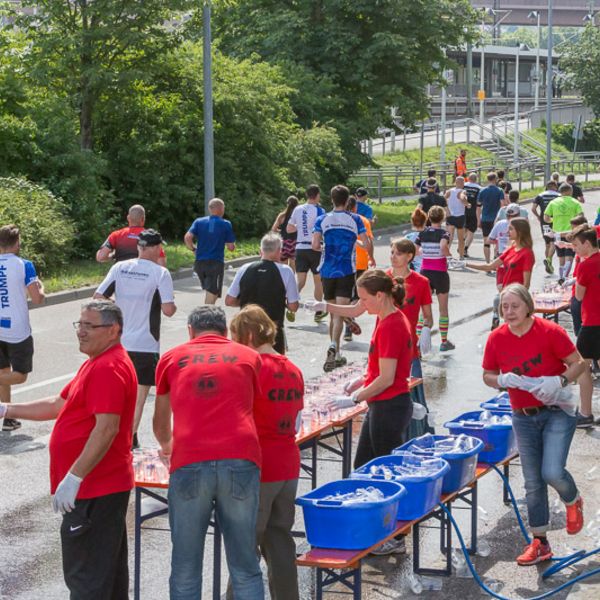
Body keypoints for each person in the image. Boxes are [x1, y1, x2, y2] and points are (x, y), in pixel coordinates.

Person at [0, 300, 137, 596]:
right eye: (80, 324)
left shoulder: (108, 367)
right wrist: (6, 409)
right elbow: (58, 405)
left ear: (113, 330)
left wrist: (74, 477)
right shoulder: (97, 363)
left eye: (90, 326)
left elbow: (106, 428)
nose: (81, 332)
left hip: (95, 488)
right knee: (103, 576)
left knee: (87, 579)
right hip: (96, 488)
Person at [153, 305, 264, 600]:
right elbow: (258, 411)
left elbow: (160, 420)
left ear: (191, 331)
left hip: (189, 460)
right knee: (245, 564)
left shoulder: (170, 358)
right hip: (240, 457)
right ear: (225, 331)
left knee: (186, 565)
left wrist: (167, 447)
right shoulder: (250, 357)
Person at [482, 284, 585, 565]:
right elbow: (488, 375)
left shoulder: (550, 332)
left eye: (515, 306)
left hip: (557, 410)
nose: (509, 311)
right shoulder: (497, 338)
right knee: (532, 482)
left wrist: (559, 380)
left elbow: (578, 364)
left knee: (551, 471)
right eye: (505, 306)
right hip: (522, 415)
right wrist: (501, 381)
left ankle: (572, 498)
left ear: (528, 306)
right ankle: (540, 542)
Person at [326, 270, 413, 555]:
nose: (362, 304)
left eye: (365, 298)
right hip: (382, 404)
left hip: (389, 405)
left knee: (384, 472)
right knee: (364, 467)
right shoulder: (384, 318)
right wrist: (362, 380)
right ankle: (373, 528)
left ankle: (394, 536)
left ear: (380, 295)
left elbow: (387, 377)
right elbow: (379, 368)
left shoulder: (391, 325)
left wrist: (355, 397)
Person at [228, 305, 304, 600]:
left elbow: (235, 416)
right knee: (280, 540)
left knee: (245, 546)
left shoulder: (251, 367)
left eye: (235, 337)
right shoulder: (292, 368)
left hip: (259, 465)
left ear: (248, 335)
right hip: (287, 463)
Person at [94, 229, 176, 449]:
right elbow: (168, 310)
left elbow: (99, 297)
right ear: (156, 248)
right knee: (138, 398)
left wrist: (119, 309)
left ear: (139, 247)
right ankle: (128, 441)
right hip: (145, 344)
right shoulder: (160, 273)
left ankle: (112, 439)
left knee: (116, 394)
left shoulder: (119, 267)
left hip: (117, 342)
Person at [312, 185, 367, 371]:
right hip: (346, 269)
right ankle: (335, 346)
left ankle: (334, 349)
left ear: (332, 199)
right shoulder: (356, 219)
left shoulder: (322, 219)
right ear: (347, 200)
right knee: (338, 312)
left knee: (332, 310)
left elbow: (314, 245)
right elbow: (366, 243)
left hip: (327, 270)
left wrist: (327, 247)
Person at [0, 225, 45, 432]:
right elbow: (37, 299)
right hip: (17, 330)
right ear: (17, 244)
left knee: (4, 371)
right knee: (20, 374)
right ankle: (8, 416)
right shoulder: (25, 265)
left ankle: (8, 418)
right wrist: (41, 287)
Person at [226, 232, 300, 354]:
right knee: (274, 368)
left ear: (261, 250)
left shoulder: (245, 268)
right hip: (272, 330)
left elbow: (229, 300)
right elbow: (293, 306)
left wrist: (246, 301)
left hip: (245, 330)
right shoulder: (286, 271)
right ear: (279, 251)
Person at [467, 217, 535, 330]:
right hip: (506, 296)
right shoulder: (511, 249)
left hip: (516, 298)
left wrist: (518, 303)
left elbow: (526, 284)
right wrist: (466, 264)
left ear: (520, 231)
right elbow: (490, 266)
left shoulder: (527, 253)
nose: (507, 232)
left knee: (514, 329)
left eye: (511, 229)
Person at [571, 225, 600, 428]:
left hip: (592, 321)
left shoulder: (585, 265)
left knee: (581, 367)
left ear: (587, 244)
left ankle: (586, 413)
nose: (575, 250)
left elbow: (579, 296)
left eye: (577, 245)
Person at [415, 206, 454, 351]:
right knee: (443, 309)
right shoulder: (444, 233)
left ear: (429, 218)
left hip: (425, 272)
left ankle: (418, 341)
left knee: (423, 310)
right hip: (440, 273)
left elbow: (415, 249)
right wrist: (449, 256)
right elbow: (443, 246)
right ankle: (444, 341)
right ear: (443, 218)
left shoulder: (423, 233)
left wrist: (424, 254)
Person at [286, 184, 326, 322]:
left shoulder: (298, 209)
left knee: (301, 281)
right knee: (318, 281)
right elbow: (322, 229)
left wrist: (301, 227)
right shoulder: (320, 210)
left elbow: (289, 228)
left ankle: (290, 305)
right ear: (317, 196)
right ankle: (318, 312)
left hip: (300, 248)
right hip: (315, 248)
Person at [184, 198, 236, 304]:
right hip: (215, 263)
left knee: (212, 292)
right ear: (221, 209)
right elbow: (231, 247)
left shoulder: (199, 221)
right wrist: (228, 243)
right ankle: (205, 317)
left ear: (210, 209)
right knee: (212, 293)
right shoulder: (226, 224)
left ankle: (208, 315)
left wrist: (193, 249)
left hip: (199, 263)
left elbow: (187, 237)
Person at [344, 195, 375, 342]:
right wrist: (372, 256)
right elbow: (368, 242)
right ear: (355, 207)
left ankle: (345, 319)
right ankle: (348, 320)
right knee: (355, 297)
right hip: (361, 262)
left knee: (345, 295)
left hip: (343, 263)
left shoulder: (339, 220)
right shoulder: (363, 221)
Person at [96, 204, 167, 267]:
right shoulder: (151, 237)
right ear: (143, 219)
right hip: (142, 279)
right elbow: (161, 265)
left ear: (128, 218)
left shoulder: (115, 235)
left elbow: (100, 257)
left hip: (121, 278)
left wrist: (113, 256)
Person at [544, 183, 584, 283]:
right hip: (571, 233)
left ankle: (561, 276)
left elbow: (546, 217)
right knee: (569, 257)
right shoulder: (575, 202)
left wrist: (554, 220)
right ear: (570, 191)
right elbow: (581, 217)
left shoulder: (553, 202)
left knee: (561, 257)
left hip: (557, 233)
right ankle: (564, 278)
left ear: (560, 191)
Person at [532, 180, 560, 275]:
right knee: (554, 242)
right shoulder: (559, 196)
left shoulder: (540, 195)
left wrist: (538, 216)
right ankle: (549, 260)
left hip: (544, 221)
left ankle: (549, 262)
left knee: (547, 243)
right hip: (556, 221)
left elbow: (533, 208)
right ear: (555, 186)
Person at [477, 172, 505, 263]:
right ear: (496, 179)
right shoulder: (500, 190)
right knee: (497, 241)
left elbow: (478, 207)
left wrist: (478, 220)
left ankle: (487, 262)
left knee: (486, 241)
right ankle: (495, 261)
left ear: (487, 179)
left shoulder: (482, 191)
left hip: (485, 218)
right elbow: (503, 205)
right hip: (496, 219)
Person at [271, 195, 299, 271]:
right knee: (292, 266)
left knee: (283, 266)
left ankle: (283, 282)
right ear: (297, 205)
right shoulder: (297, 216)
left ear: (287, 204)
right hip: (294, 243)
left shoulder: (281, 215)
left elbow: (273, 229)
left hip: (283, 243)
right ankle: (291, 281)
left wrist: (281, 231)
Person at [444, 176, 468, 259]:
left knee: (449, 237)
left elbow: (443, 200)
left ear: (455, 183)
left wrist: (447, 210)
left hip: (450, 216)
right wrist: (467, 204)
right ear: (462, 183)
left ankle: (446, 256)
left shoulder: (449, 191)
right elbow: (461, 197)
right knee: (460, 238)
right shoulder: (463, 191)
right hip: (460, 216)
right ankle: (461, 256)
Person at [463, 172, 482, 257]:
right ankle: (465, 248)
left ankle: (462, 243)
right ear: (476, 179)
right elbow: (479, 203)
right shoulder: (479, 188)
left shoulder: (464, 186)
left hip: (463, 211)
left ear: (468, 178)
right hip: (473, 212)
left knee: (464, 229)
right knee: (471, 232)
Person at [405, 207, 427, 272]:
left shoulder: (407, 238)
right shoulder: (432, 236)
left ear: (412, 222)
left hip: (413, 271)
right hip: (429, 270)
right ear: (425, 221)